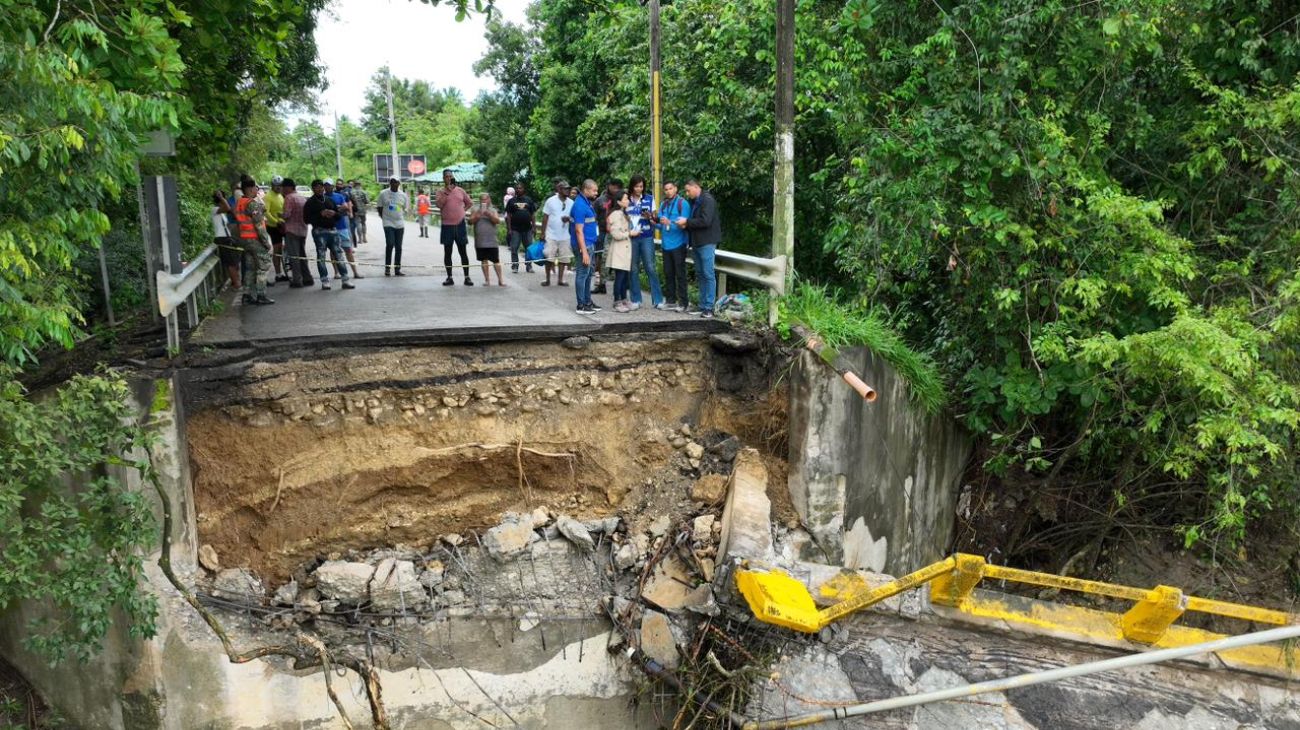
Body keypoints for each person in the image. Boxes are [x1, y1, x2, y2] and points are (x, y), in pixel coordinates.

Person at [303, 179, 353, 291]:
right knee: (321, 256)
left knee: (339, 255)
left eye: (321, 187)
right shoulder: (310, 202)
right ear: (313, 189)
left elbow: (339, 215)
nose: (320, 189)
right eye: (317, 187)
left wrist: (334, 213)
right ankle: (324, 280)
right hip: (319, 231)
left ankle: (345, 279)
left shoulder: (329, 200)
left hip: (333, 231)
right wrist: (320, 214)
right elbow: (306, 219)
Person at [682, 179, 720, 318]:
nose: (687, 193)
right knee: (700, 274)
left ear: (696, 187)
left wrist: (687, 222)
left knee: (708, 274)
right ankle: (702, 305)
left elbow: (705, 221)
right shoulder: (694, 201)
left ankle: (709, 307)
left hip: (707, 242)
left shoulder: (707, 200)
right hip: (696, 242)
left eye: (688, 190)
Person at [233, 177, 274, 305]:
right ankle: (261, 295)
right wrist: (266, 243)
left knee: (250, 268)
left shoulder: (240, 202)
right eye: (256, 187)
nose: (257, 190)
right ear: (251, 189)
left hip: (244, 240)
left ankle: (246, 295)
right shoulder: (252, 204)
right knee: (263, 266)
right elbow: (259, 225)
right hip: (255, 239)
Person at [625, 175, 663, 310]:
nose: (639, 189)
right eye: (636, 186)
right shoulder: (626, 199)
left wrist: (650, 217)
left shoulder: (649, 198)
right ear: (632, 186)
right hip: (631, 237)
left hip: (646, 236)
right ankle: (636, 299)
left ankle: (658, 300)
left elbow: (655, 218)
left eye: (641, 186)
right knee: (633, 268)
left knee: (650, 267)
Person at [658, 181, 692, 312]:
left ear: (676, 189)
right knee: (668, 274)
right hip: (666, 244)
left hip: (679, 244)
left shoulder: (682, 203)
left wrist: (669, 222)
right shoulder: (663, 204)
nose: (668, 191)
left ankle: (683, 303)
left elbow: (684, 224)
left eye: (670, 188)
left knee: (680, 274)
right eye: (666, 189)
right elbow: (661, 225)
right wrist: (653, 222)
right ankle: (670, 301)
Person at [436, 168, 474, 286]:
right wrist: (448, 192)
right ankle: (449, 277)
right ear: (443, 178)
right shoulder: (440, 191)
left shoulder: (460, 190)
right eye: (447, 177)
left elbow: (469, 203)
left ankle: (467, 277)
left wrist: (462, 211)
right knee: (448, 252)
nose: (449, 178)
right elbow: (439, 205)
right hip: (447, 226)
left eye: (450, 176)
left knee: (463, 251)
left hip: (460, 225)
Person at [570, 179, 600, 314]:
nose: (596, 193)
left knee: (588, 274)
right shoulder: (580, 206)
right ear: (586, 190)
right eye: (594, 190)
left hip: (589, 243)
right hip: (584, 245)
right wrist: (584, 251)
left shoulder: (586, 202)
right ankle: (581, 305)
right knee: (582, 274)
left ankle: (588, 301)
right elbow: (578, 230)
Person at [325, 179, 364, 280]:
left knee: (348, 250)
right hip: (329, 228)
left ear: (332, 186)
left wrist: (335, 209)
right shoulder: (323, 198)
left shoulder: (339, 196)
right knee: (333, 251)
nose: (328, 187)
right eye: (326, 185)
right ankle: (336, 273)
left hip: (342, 227)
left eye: (329, 185)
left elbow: (346, 208)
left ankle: (355, 272)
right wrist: (338, 208)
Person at [280, 178, 314, 288]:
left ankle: (297, 280)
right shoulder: (301, 197)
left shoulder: (289, 198)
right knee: (302, 255)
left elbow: (287, 214)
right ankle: (307, 278)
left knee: (294, 257)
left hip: (292, 231)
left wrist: (279, 215)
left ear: (288, 187)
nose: (282, 190)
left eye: (283, 188)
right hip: (302, 230)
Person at [592, 178, 623, 295]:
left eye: (617, 187)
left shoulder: (622, 199)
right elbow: (593, 217)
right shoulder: (600, 200)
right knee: (600, 257)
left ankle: (621, 285)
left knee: (618, 257)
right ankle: (601, 283)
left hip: (618, 233)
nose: (615, 189)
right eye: (613, 186)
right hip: (602, 231)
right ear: (608, 186)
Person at [606, 191, 634, 312]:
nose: (628, 201)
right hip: (619, 249)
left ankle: (624, 299)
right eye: (625, 199)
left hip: (625, 249)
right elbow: (616, 234)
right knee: (620, 277)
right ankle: (617, 302)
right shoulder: (616, 214)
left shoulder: (623, 213)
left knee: (625, 277)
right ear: (618, 201)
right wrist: (629, 234)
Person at [540, 180, 573, 287]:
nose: (567, 191)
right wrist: (542, 233)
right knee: (549, 257)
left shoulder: (571, 203)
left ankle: (560, 280)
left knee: (563, 258)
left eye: (568, 189)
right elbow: (545, 217)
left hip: (565, 235)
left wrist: (569, 219)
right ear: (559, 189)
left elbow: (574, 217)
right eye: (565, 189)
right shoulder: (550, 201)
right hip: (551, 234)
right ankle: (547, 279)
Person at [376, 177, 409, 276]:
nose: (394, 184)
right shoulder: (383, 193)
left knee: (399, 247)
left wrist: (402, 212)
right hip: (388, 222)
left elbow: (405, 208)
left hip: (399, 223)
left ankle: (397, 269)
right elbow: (379, 207)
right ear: (390, 183)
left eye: (396, 182)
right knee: (390, 244)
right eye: (392, 182)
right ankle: (387, 268)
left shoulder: (403, 195)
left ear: (399, 184)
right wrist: (383, 218)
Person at [471, 193, 506, 287]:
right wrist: (478, 215)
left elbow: (497, 221)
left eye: (486, 199)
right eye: (482, 199)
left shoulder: (493, 210)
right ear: (480, 200)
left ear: (489, 200)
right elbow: (470, 221)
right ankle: (487, 280)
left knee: (496, 260)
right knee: (484, 260)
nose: (484, 201)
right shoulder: (475, 209)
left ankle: (500, 280)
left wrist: (489, 214)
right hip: (480, 239)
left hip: (492, 240)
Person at [211, 190, 241, 291]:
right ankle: (236, 284)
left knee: (234, 261)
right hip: (221, 239)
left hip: (227, 238)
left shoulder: (222, 213)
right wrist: (221, 198)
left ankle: (236, 282)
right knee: (231, 263)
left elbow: (230, 211)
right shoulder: (214, 209)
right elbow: (227, 207)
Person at [505, 181, 536, 274]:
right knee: (514, 248)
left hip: (527, 229)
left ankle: (529, 266)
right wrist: (509, 229)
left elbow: (533, 214)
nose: (518, 189)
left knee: (529, 248)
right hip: (515, 229)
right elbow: (508, 216)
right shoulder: (511, 201)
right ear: (515, 190)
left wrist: (534, 227)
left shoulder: (529, 200)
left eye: (520, 188)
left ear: (523, 189)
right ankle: (515, 266)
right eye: (517, 188)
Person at [264, 175, 288, 283]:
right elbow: (266, 212)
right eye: (276, 185)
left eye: (280, 185)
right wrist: (276, 221)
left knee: (288, 246)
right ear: (272, 186)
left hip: (283, 225)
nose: (279, 187)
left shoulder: (280, 195)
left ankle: (287, 268)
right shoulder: (268, 196)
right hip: (274, 226)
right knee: (277, 250)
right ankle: (278, 274)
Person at [349, 180, 370, 245]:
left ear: (354, 185)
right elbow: (367, 201)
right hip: (363, 209)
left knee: (358, 224)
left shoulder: (351, 192)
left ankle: (360, 239)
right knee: (363, 223)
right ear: (360, 184)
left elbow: (350, 201)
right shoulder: (364, 192)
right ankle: (364, 238)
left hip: (356, 210)